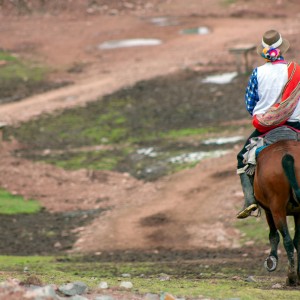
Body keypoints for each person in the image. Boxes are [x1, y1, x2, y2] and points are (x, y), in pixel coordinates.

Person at [236, 29, 300, 219]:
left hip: (267, 126)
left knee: (242, 157)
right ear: (282, 49)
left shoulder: (257, 73)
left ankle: (250, 200)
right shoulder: (295, 70)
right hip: (296, 124)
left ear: (264, 51)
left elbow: (250, 103)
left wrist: (270, 115)